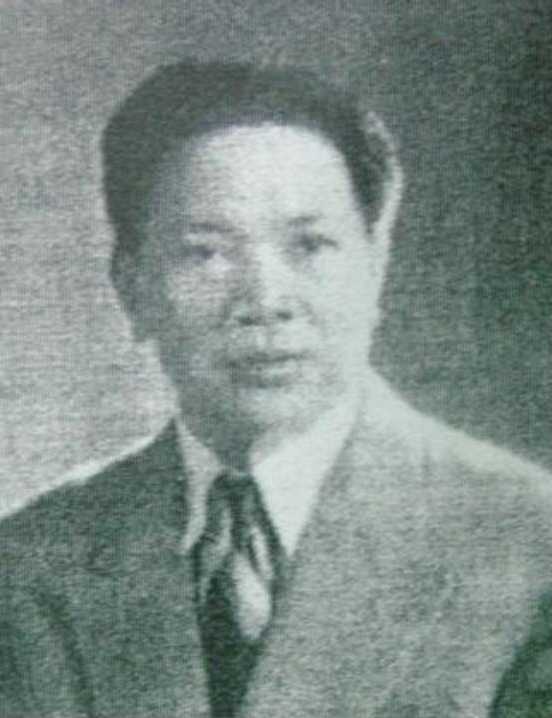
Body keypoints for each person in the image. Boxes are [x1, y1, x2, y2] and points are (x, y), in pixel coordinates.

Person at [1, 59, 551, 718]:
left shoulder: (526, 539)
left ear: (376, 268)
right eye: (206, 253)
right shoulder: (31, 562)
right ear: (133, 288)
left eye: (310, 246)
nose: (265, 302)